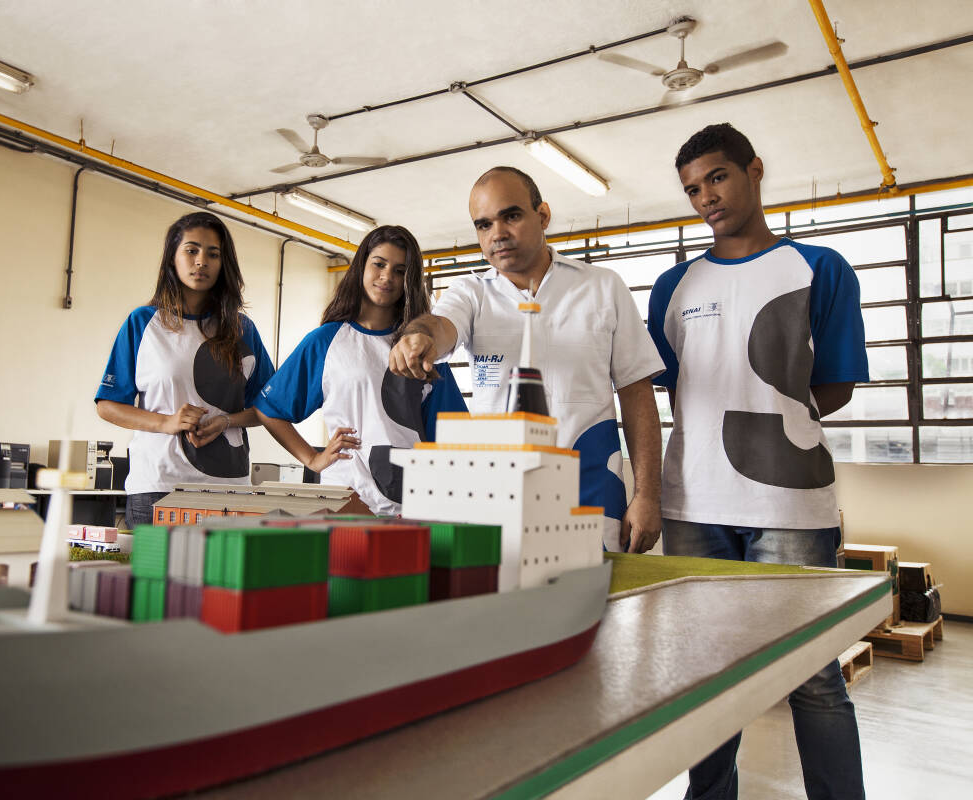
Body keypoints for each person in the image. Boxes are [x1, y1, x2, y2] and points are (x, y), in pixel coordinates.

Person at [648, 123, 869, 800]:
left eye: (717, 177)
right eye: (692, 188)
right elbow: (679, 390)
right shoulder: (672, 285)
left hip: (789, 506)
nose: (705, 196)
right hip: (692, 505)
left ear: (754, 170)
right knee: (706, 676)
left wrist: (777, 423)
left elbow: (832, 385)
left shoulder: (819, 268)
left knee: (812, 673)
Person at [389, 167, 664, 552]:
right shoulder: (471, 292)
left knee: (595, 607)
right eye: (483, 225)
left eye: (511, 216)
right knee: (501, 609)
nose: (497, 233)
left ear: (543, 215)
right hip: (495, 498)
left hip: (589, 490)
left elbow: (637, 394)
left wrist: (648, 495)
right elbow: (441, 325)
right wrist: (420, 335)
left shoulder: (603, 287)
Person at [255, 225, 467, 515]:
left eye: (400, 271)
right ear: (361, 267)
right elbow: (269, 408)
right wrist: (312, 459)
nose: (387, 277)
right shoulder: (326, 341)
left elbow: (452, 435)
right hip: (345, 498)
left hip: (411, 505)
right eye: (379, 264)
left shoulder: (421, 348)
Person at [96, 211, 274, 530]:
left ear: (224, 264)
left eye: (213, 253)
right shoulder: (143, 322)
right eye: (191, 250)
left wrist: (227, 420)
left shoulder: (242, 329)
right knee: (160, 580)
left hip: (230, 488)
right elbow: (108, 405)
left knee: (225, 582)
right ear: (173, 259)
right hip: (160, 487)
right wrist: (167, 422)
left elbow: (270, 407)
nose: (201, 261)